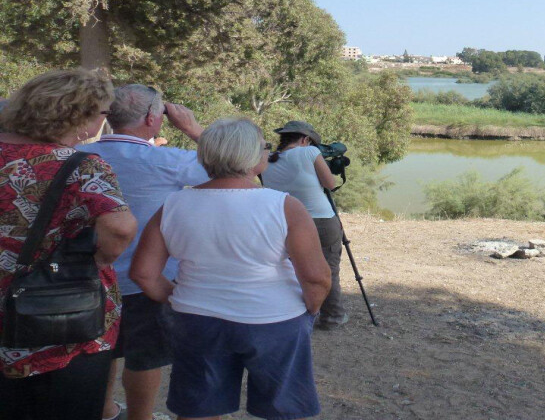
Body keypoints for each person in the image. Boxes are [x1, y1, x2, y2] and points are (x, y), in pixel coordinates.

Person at [130, 117, 330, 420]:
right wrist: (310, 311)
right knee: (283, 409)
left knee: (200, 408)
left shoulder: (173, 204)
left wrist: (177, 297)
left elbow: (143, 273)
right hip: (274, 320)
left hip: (197, 320)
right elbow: (316, 278)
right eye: (264, 146)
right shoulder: (285, 206)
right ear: (252, 157)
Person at [0, 69, 137, 420]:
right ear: (80, 115)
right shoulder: (83, 166)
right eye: (103, 114)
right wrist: (101, 260)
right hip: (64, 313)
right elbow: (120, 227)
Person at [78, 84, 209, 420]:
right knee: (144, 356)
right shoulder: (168, 160)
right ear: (154, 117)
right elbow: (237, 165)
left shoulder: (79, 155)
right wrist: (192, 128)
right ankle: (141, 417)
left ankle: (105, 410)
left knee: (101, 349)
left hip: (88, 276)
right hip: (147, 278)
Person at [261, 120, 347, 329]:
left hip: (284, 221)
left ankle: (297, 314)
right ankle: (332, 317)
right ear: (305, 139)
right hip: (320, 220)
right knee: (328, 268)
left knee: (292, 269)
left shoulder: (266, 160)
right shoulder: (308, 153)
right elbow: (330, 184)